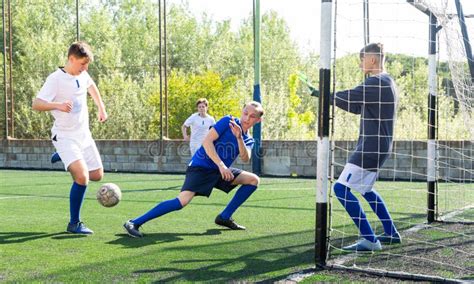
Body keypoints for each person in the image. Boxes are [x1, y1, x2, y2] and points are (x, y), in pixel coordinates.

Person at [124, 101, 264, 238]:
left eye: (252, 116)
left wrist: (239, 137)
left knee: (253, 180)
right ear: (242, 111)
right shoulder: (228, 121)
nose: (246, 118)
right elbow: (207, 142)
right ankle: (133, 223)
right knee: (182, 201)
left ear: (258, 120)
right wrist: (221, 166)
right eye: (245, 113)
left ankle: (224, 217)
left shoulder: (248, 139)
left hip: (219, 171)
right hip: (201, 167)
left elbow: (246, 158)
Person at [32, 41, 108, 235]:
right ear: (71, 59)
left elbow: (92, 86)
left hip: (84, 135)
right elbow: (37, 103)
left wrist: (101, 107)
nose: (85, 68)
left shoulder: (83, 74)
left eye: (87, 64)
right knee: (82, 177)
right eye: (82, 64)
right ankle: (74, 223)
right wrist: (57, 105)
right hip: (65, 136)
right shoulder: (55, 79)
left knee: (97, 175)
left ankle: (63, 157)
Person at [332, 43, 401, 251]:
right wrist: (325, 96)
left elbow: (350, 96)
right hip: (379, 145)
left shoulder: (376, 82)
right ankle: (391, 232)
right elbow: (354, 106)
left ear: (371, 59)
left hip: (371, 145)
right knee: (367, 189)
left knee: (340, 189)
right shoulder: (386, 82)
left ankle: (370, 240)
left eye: (362, 59)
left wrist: (323, 93)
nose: (360, 64)